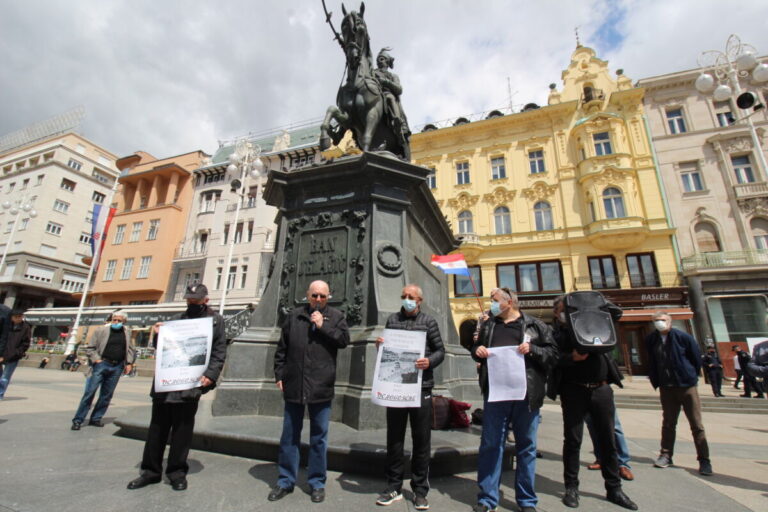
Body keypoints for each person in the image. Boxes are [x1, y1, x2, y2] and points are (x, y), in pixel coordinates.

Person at [127, 283, 227, 491]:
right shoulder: (174, 321)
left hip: (190, 383)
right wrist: (157, 334)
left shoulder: (216, 322)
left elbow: (219, 350)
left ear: (205, 300)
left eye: (196, 300)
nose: (192, 303)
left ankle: (176, 472)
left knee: (182, 431)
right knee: (157, 429)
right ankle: (150, 471)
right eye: (189, 300)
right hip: (167, 384)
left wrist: (211, 374)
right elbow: (162, 349)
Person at [470, 287, 557, 512]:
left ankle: (527, 501)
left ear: (509, 303)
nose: (492, 304)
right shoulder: (489, 325)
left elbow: (553, 355)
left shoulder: (536, 325)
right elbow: (474, 347)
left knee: (526, 446)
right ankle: (487, 498)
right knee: (491, 445)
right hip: (496, 394)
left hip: (526, 396)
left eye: (495, 300)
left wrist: (533, 350)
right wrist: (477, 350)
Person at [549, 295, 637, 510]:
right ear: (556, 313)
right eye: (564, 309)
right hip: (573, 390)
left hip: (601, 389)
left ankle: (614, 488)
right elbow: (550, 359)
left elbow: (616, 313)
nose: (568, 312)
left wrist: (595, 302)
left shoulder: (594, 323)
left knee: (607, 439)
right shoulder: (556, 333)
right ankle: (571, 487)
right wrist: (572, 358)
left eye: (571, 308)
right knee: (573, 440)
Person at [269, 280, 350, 504]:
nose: (318, 300)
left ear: (329, 297)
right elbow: (282, 349)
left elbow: (344, 340)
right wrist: (279, 374)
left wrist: (323, 325)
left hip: (321, 384)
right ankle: (285, 480)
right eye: (314, 295)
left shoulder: (336, 317)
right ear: (307, 295)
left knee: (319, 437)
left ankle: (316, 482)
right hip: (294, 382)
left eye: (323, 296)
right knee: (289, 435)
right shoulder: (294, 316)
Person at [374, 284, 445, 510]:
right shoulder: (392, 320)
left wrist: (429, 361)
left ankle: (420, 489)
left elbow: (440, 350)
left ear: (420, 300)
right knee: (394, 438)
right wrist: (381, 348)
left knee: (421, 440)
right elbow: (387, 352)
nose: (406, 299)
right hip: (396, 388)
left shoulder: (429, 322)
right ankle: (394, 486)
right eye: (403, 296)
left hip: (420, 388)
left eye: (411, 297)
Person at [646, 312, 712, 475]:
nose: (660, 323)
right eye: (657, 321)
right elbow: (652, 360)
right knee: (668, 422)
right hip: (666, 386)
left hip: (686, 386)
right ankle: (666, 454)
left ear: (670, 321)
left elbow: (696, 359)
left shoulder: (684, 337)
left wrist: (689, 376)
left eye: (663, 320)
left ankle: (704, 460)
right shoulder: (651, 340)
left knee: (696, 424)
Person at [71, 310, 135, 430]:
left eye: (119, 321)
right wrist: (97, 360)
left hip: (117, 366)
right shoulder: (101, 330)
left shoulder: (127, 332)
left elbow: (131, 349)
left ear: (124, 321)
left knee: (107, 395)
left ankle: (96, 418)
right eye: (114, 320)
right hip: (102, 364)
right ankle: (78, 419)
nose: (116, 322)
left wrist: (129, 363)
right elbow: (90, 348)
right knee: (90, 392)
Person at [374, 48, 410, 144]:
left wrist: (386, 82)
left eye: (382, 59)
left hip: (386, 94)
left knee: (389, 97)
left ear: (387, 61)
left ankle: (397, 121)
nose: (379, 61)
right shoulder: (372, 73)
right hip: (374, 95)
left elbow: (399, 89)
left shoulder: (393, 76)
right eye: (378, 59)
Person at [0, 309, 32, 399]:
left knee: (5, 377)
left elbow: (26, 343)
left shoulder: (26, 327)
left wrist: (18, 353)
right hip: (2, 353)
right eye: (16, 317)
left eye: (20, 317)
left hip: (13, 356)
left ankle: (0, 394)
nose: (18, 319)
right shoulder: (5, 325)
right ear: (11, 317)